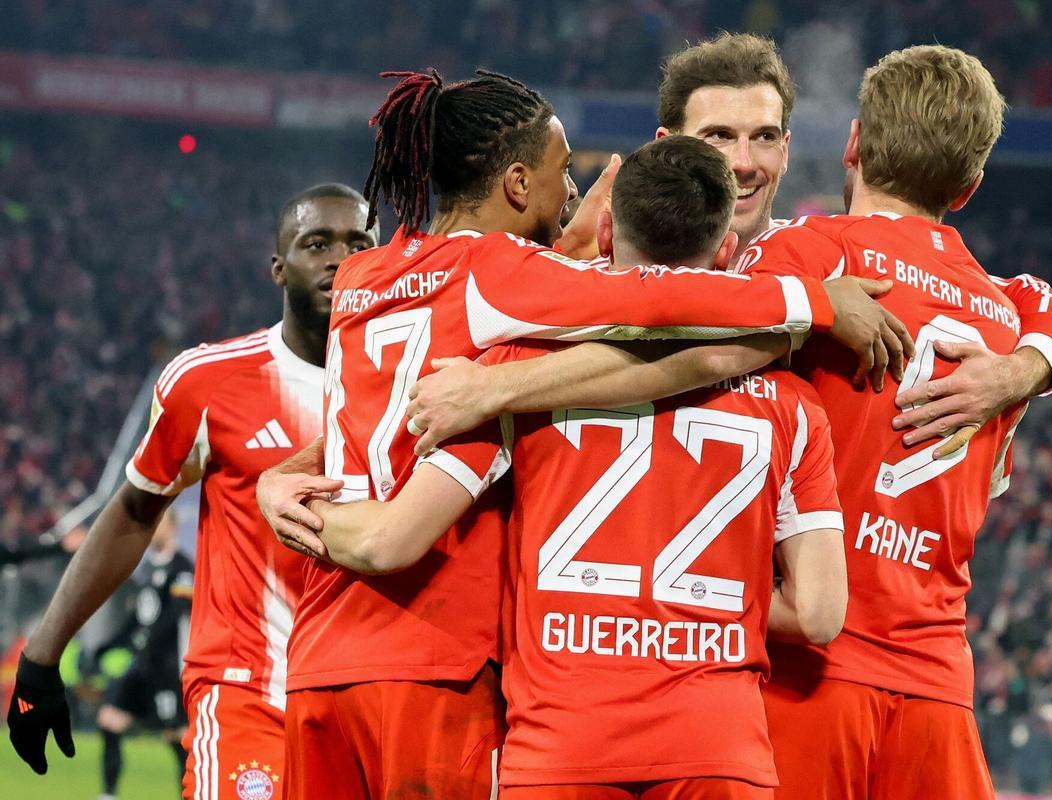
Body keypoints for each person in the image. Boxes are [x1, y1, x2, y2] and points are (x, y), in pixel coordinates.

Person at [399, 45, 1052, 800]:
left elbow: (704, 351)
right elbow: (1050, 307)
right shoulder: (985, 308)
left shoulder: (799, 263)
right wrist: (1030, 360)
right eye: (718, 139)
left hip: (766, 688)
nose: (742, 162)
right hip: (886, 679)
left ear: (838, 145)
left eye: (763, 137)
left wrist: (495, 389)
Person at [257, 69, 910, 800]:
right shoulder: (508, 292)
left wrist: (277, 479)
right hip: (443, 654)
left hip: (323, 649)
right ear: (516, 182)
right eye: (563, 172)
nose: (570, 191)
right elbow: (655, 304)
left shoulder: (362, 278)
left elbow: (372, 417)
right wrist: (813, 303)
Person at [6, 183, 377, 800]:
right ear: (279, 268)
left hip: (376, 700)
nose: (341, 259)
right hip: (251, 694)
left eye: (359, 244)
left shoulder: (417, 383)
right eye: (318, 244)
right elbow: (133, 512)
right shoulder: (209, 381)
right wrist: (42, 655)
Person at [96, 509, 193, 800]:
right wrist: (109, 644)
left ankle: (193, 794)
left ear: (172, 527)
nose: (151, 529)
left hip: (168, 670)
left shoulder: (183, 569)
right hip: (142, 666)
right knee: (109, 720)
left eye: (158, 523)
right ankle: (108, 795)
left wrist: (144, 641)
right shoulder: (146, 569)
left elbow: (175, 616)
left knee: (178, 737)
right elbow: (138, 618)